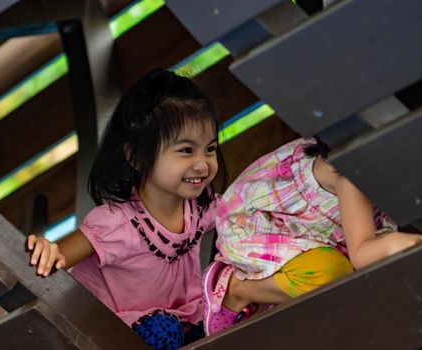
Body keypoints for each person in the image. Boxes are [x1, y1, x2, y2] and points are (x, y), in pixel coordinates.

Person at [27, 68, 227, 349]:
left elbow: (246, 211)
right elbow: (54, 259)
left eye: (210, 148)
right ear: (135, 156)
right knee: (163, 331)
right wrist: (47, 251)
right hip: (108, 335)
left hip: (182, 323)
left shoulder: (202, 207)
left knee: (225, 319)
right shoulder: (115, 224)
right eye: (186, 150)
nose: (202, 163)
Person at [202, 137, 422, 335]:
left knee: (361, 284)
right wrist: (414, 243)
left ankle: (280, 288)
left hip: (320, 233)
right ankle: (238, 290)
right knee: (333, 277)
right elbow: (362, 253)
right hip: (261, 226)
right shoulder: (351, 171)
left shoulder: (386, 158)